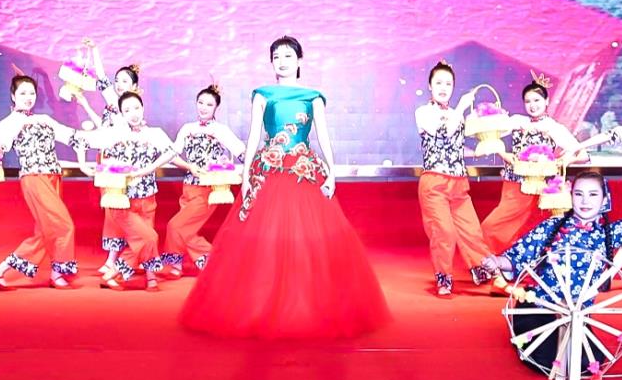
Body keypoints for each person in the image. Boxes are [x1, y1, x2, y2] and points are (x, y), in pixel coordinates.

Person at [179, 36, 391, 339]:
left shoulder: (313, 97)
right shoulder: (262, 95)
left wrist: (331, 174)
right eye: (276, 56)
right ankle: (258, 305)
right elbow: (254, 136)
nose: (282, 61)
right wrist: (246, 174)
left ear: (299, 60)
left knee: (307, 240)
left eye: (288, 56)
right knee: (264, 240)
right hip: (268, 172)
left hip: (304, 171)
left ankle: (309, 306)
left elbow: (323, 136)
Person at [491, 159, 622, 376]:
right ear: (571, 196)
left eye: (593, 194)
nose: (585, 201)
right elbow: (516, 257)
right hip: (541, 312)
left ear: (604, 199)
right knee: (547, 361)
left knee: (585, 366)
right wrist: (496, 262)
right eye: (579, 194)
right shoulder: (551, 227)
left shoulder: (607, 234)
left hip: (576, 317)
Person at [0, 73, 81, 290]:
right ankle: (56, 272)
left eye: (32, 93)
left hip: (53, 176)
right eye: (23, 93)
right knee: (64, 225)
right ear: (13, 96)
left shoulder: (44, 119)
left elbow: (72, 136)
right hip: (34, 177)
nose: (28, 97)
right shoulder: (9, 122)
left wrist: (107, 136)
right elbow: (0, 151)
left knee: (47, 230)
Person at [414, 62, 497, 297]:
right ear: (430, 86)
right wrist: (460, 107)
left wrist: (481, 150)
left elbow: (456, 146)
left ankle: (480, 268)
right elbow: (442, 134)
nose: (443, 88)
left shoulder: (457, 115)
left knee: (472, 230)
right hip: (434, 182)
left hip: (459, 182)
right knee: (444, 232)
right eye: (439, 83)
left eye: (448, 84)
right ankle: (444, 277)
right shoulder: (424, 112)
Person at [80, 91, 175, 290]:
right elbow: (82, 140)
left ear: (143, 108)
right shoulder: (116, 134)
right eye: (127, 110)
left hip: (148, 197)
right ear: (122, 114)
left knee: (146, 238)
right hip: (123, 200)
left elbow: (172, 151)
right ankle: (114, 273)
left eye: (136, 108)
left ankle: (150, 277)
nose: (133, 113)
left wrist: (149, 168)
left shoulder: (154, 133)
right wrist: (83, 165)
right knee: (148, 237)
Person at [478, 75, 584, 253]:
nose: (532, 105)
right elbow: (489, 132)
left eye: (537, 100)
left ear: (547, 101)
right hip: (514, 182)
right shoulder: (518, 121)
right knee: (497, 223)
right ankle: (491, 258)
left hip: (540, 185)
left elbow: (583, 154)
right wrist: (505, 154)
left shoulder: (553, 127)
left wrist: (563, 161)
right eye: (528, 101)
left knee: (530, 227)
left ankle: (513, 260)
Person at [160, 84, 246, 279]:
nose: (204, 107)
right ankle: (205, 264)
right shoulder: (187, 128)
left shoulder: (220, 130)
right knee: (186, 230)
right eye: (200, 102)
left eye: (209, 104)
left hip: (209, 188)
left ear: (216, 108)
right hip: (188, 186)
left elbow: (241, 152)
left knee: (175, 225)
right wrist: (189, 166)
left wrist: (252, 169)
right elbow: (172, 155)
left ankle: (189, 263)